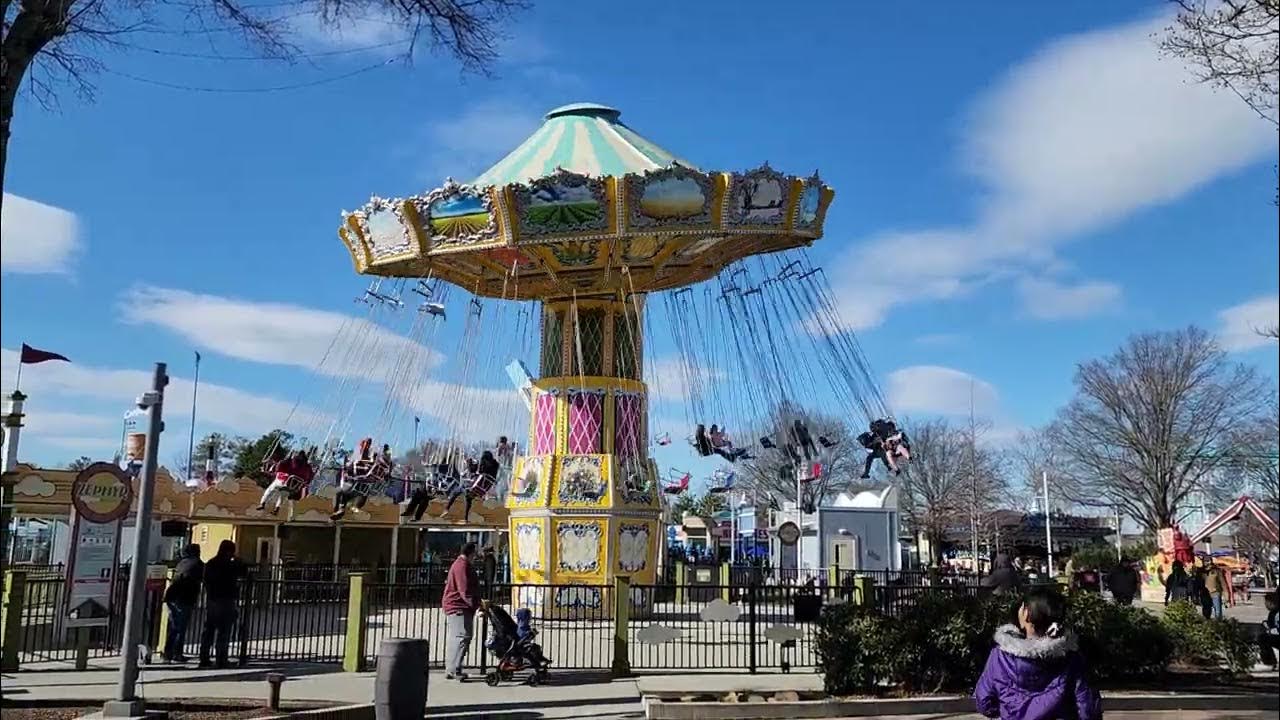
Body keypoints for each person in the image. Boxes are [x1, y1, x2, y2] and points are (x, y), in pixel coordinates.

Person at [974, 588, 1102, 720]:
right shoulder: (1071, 658)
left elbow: (984, 702)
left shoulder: (1000, 657)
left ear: (1026, 614)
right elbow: (1087, 706)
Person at [199, 540, 246, 668]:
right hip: (226, 599)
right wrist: (238, 560)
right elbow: (244, 572)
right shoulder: (231, 565)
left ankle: (204, 658)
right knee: (224, 631)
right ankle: (221, 658)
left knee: (208, 630)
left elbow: (206, 581)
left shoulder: (211, 563)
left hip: (212, 599)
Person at [443, 542, 481, 681]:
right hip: (459, 606)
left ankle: (451, 668)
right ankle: (455, 669)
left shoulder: (459, 564)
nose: (477, 556)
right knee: (463, 637)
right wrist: (476, 604)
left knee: (456, 638)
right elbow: (464, 589)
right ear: (471, 552)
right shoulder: (462, 566)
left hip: (456, 605)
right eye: (476, 552)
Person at [163, 543, 203, 663]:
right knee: (181, 627)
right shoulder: (197, 564)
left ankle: (168, 653)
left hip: (172, 597)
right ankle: (176, 654)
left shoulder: (182, 563)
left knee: (174, 627)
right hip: (184, 598)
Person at [440, 451, 499, 519]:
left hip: (475, 487)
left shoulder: (483, 462)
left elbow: (473, 470)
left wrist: (469, 463)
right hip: (483, 490)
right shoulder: (495, 465)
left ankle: (446, 509)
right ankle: (465, 518)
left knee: (456, 491)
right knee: (468, 498)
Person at [256, 449, 315, 515]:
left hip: (284, 481)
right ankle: (277, 509)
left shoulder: (293, 460)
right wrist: (305, 484)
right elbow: (310, 477)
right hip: (294, 486)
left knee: (270, 490)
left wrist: (274, 470)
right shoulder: (308, 467)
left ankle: (262, 503)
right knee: (283, 495)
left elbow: (281, 464)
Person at [1258, 591, 1279, 668]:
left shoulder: (1277, 613)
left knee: (1263, 639)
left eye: (1266, 603)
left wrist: (1270, 631)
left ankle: (1269, 662)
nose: (1266, 605)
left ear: (1272, 603)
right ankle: (1270, 661)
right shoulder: (1272, 613)